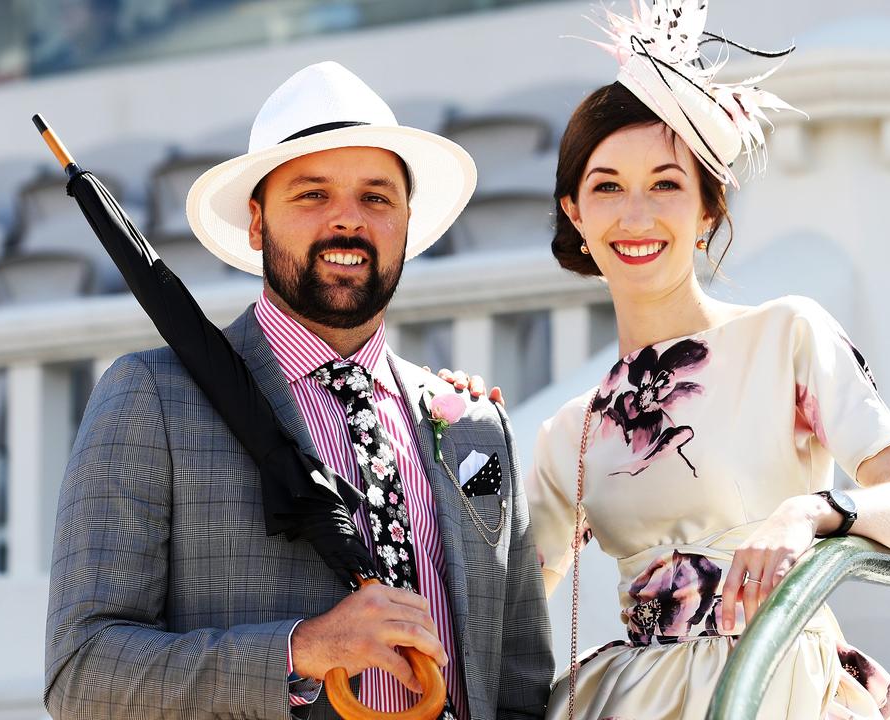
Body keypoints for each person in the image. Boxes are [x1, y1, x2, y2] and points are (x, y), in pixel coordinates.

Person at [44, 61, 553, 719]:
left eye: (375, 197)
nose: (347, 221)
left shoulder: (475, 427)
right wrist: (301, 650)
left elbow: (520, 687)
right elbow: (81, 674)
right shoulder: (150, 400)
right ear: (257, 223)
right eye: (312, 195)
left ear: (406, 221)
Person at [526, 3, 890, 719]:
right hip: (634, 701)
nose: (636, 216)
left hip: (780, 682)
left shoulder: (788, 336)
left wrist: (807, 513)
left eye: (666, 183)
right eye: (606, 187)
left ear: (707, 211)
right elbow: (502, 607)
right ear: (575, 212)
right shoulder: (573, 430)